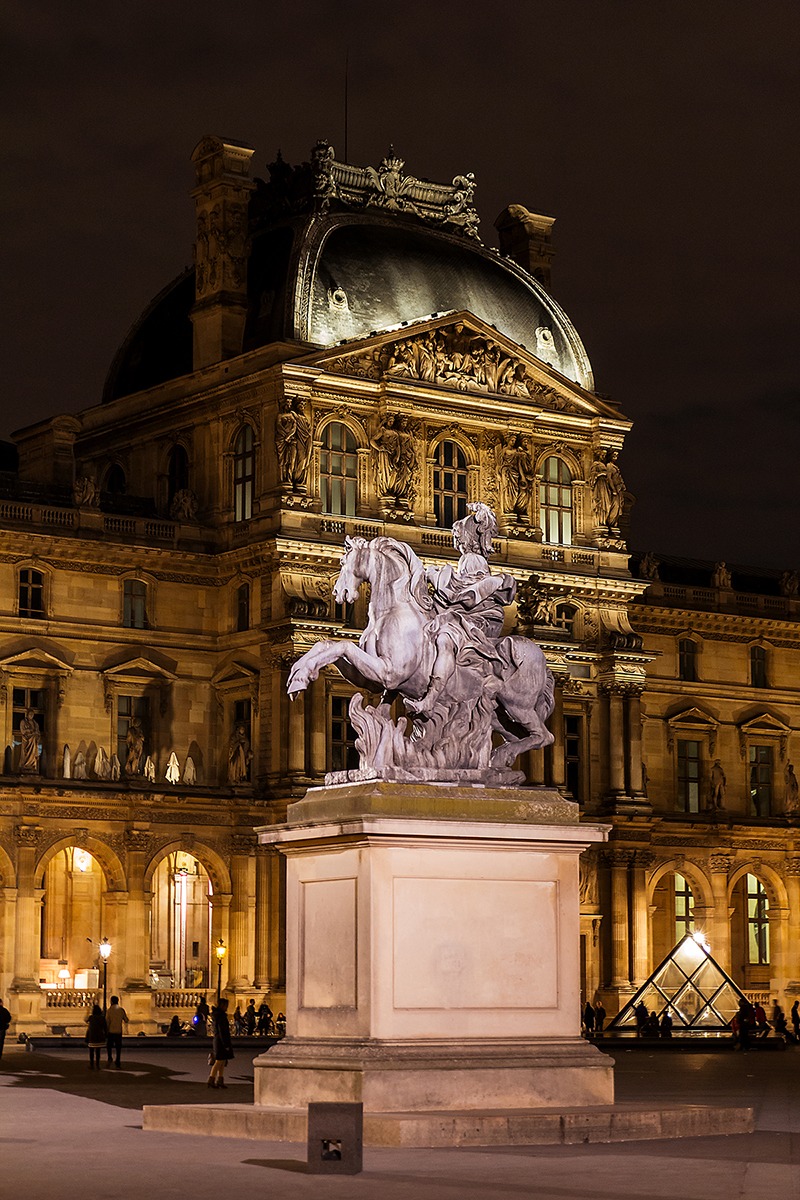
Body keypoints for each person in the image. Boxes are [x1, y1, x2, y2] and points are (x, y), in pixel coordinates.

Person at [207, 997, 234, 1089]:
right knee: (218, 1061)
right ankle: (211, 1079)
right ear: (223, 1005)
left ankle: (220, 1080)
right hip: (221, 1041)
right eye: (226, 1005)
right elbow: (222, 1031)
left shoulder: (218, 1015)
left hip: (219, 1040)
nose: (227, 1007)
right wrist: (226, 1044)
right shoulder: (221, 1016)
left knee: (222, 1061)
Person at [105, 994, 129, 1067]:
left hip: (111, 1031)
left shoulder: (109, 1011)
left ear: (111, 1002)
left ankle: (110, 1057)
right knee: (118, 1047)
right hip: (118, 1031)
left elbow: (107, 1022)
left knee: (109, 1046)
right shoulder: (121, 1010)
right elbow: (126, 1020)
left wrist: (106, 1031)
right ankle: (118, 1060)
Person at [85, 1004, 107, 1070]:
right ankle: (97, 1065)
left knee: (91, 1052)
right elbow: (105, 1027)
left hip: (92, 1036)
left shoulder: (91, 1017)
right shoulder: (102, 1018)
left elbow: (85, 1020)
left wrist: (87, 1011)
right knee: (98, 1052)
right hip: (99, 1036)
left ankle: (91, 1064)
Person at [19, 708, 41, 774]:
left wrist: (36, 734)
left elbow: (38, 732)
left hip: (33, 741)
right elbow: (23, 731)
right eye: (30, 714)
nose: (31, 716)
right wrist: (29, 731)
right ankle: (26, 764)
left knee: (34, 740)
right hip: (27, 740)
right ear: (27, 714)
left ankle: (32, 764)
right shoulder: (23, 722)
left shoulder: (35, 723)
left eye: (32, 714)